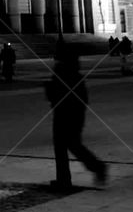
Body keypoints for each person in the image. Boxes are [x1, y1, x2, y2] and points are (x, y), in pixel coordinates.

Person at [44, 48, 107, 190]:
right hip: (75, 114)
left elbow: (56, 94)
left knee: (63, 147)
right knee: (72, 145)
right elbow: (82, 97)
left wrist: (49, 88)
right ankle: (95, 168)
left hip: (63, 114)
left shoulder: (61, 71)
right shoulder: (75, 74)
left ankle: (67, 178)